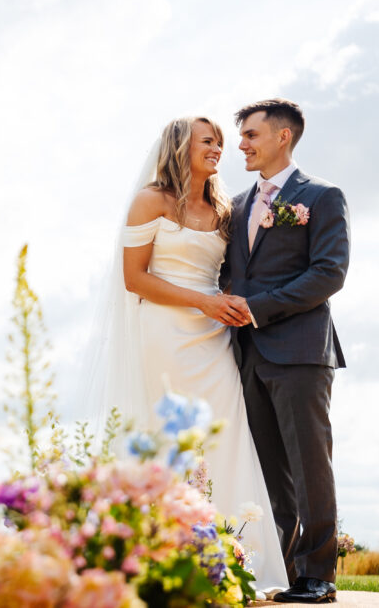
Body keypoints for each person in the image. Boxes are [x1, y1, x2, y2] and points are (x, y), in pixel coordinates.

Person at [102, 115, 290, 598]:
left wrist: (224, 301)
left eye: (222, 143)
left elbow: (232, 272)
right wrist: (204, 301)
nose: (219, 150)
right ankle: (165, 554)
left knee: (226, 437)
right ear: (181, 145)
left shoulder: (227, 208)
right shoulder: (151, 200)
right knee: (168, 436)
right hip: (163, 333)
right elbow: (135, 278)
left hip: (213, 336)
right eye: (209, 141)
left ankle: (239, 558)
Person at [223, 99, 349, 604]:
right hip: (246, 354)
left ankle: (317, 576)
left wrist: (254, 307)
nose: (242, 145)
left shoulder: (321, 196)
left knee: (309, 465)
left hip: (299, 351)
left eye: (251, 134)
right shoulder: (233, 205)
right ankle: (277, 571)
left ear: (283, 137)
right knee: (268, 471)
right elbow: (230, 272)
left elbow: (328, 274)